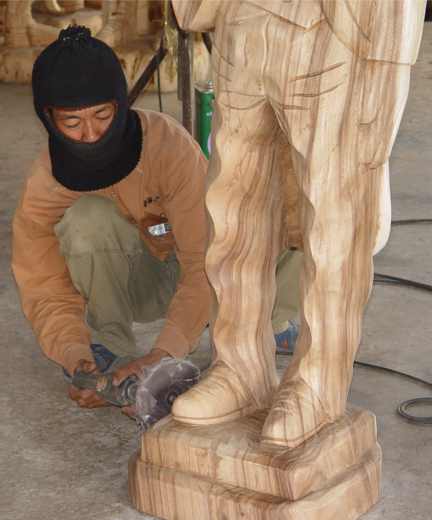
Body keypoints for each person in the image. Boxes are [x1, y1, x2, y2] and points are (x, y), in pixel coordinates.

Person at [12, 25, 301, 412]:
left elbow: (205, 261)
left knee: (283, 203)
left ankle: (270, 321)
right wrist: (74, 355)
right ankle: (109, 349)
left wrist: (163, 355)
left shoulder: (168, 145)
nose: (91, 134)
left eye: (102, 115)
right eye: (71, 122)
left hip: (209, 269)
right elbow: (43, 284)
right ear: (48, 118)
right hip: (141, 282)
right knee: (85, 219)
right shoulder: (46, 180)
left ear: (120, 104)